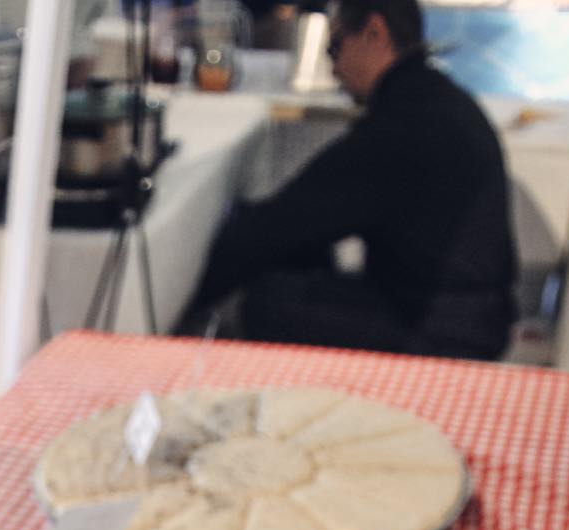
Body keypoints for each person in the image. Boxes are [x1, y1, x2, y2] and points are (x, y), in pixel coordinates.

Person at [195, 0, 517, 361]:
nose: (334, 69)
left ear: (374, 33)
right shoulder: (440, 100)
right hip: (474, 315)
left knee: (268, 302)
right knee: (303, 254)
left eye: (334, 47)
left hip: (447, 333)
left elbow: (283, 222)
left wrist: (184, 298)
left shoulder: (403, 126)